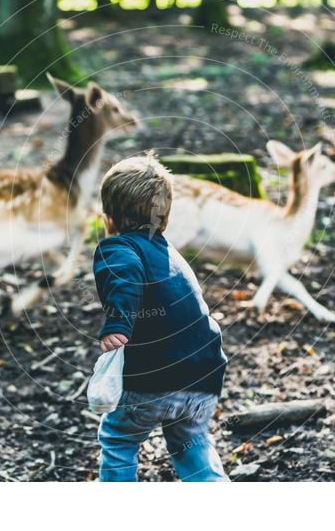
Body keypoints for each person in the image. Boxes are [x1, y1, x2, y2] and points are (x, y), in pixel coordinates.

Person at [92, 153, 229, 482]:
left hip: (155, 379)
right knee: (191, 444)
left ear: (107, 217)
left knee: (119, 440)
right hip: (203, 375)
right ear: (164, 219)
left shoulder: (118, 248)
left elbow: (125, 278)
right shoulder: (172, 255)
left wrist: (118, 325)